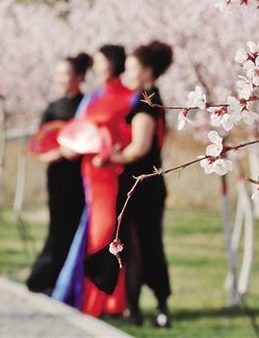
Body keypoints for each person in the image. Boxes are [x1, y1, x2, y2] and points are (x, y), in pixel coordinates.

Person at [52, 44, 138, 317]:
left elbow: (131, 136)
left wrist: (111, 152)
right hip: (90, 173)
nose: (97, 66)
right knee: (93, 234)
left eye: (101, 61)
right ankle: (93, 299)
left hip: (113, 173)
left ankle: (103, 302)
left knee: (106, 235)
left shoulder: (131, 97)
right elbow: (76, 132)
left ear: (113, 62)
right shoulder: (91, 99)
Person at [108, 41, 173, 327]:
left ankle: (141, 310)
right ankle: (154, 307)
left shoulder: (146, 101)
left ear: (147, 71)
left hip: (140, 184)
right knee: (146, 245)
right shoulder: (152, 98)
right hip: (147, 183)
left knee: (139, 247)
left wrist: (111, 156)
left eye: (132, 68)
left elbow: (139, 147)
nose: (126, 74)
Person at [27, 53, 91, 294]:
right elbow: (39, 146)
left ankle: (69, 283)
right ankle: (47, 279)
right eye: (57, 74)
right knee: (57, 226)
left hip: (81, 176)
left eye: (65, 74)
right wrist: (57, 153)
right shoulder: (52, 108)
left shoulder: (87, 106)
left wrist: (74, 150)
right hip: (57, 175)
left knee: (76, 227)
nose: (60, 79)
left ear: (80, 76)